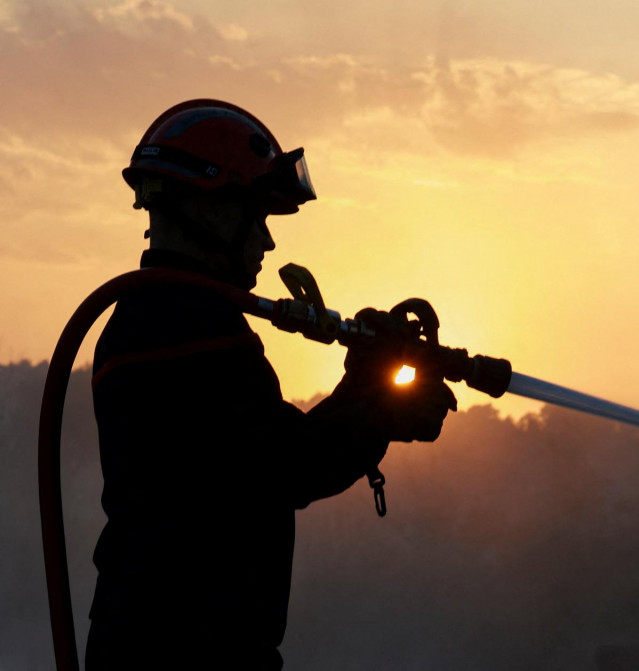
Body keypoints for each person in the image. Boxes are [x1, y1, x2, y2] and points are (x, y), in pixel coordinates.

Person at [85, 99, 456, 670]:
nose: (267, 241)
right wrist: (382, 402)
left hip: (178, 644)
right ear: (205, 207)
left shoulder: (168, 316)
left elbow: (262, 459)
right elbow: (286, 466)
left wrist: (368, 387)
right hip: (181, 652)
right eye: (255, 216)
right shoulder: (180, 331)